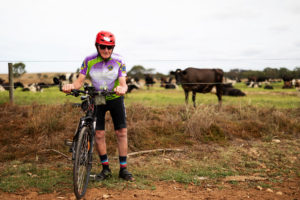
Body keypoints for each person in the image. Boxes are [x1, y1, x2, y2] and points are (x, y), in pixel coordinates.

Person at [62, 31, 134, 181]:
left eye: (110, 47)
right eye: (103, 47)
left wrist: (123, 89)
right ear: (97, 46)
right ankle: (105, 169)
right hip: (98, 98)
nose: (106, 50)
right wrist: (70, 86)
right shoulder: (89, 60)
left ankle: (123, 169)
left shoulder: (119, 60)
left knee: (121, 132)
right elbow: (79, 82)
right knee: (99, 134)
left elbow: (123, 83)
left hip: (115, 97)